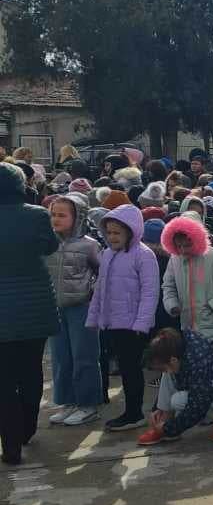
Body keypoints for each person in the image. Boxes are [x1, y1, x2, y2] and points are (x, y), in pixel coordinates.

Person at [0, 162, 60, 464]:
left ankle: (10, 446)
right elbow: (50, 247)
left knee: (4, 380)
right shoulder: (37, 215)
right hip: (36, 305)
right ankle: (27, 427)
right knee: (32, 370)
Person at [87, 203, 161, 432]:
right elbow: (100, 289)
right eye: (108, 232)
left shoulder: (144, 255)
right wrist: (94, 317)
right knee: (123, 366)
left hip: (132, 325)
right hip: (112, 322)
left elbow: (150, 292)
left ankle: (134, 412)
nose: (112, 237)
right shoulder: (107, 255)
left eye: (117, 232)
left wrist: (142, 322)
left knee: (131, 369)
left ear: (131, 231)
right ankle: (130, 411)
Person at [138, 327, 213, 446]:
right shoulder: (180, 351)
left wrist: (169, 429)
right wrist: (158, 409)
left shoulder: (199, 364)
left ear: (173, 360)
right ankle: (163, 418)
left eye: (161, 367)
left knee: (178, 400)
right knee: (167, 375)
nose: (162, 371)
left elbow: (197, 408)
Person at [47, 192, 103, 426]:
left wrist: (93, 294)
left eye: (62, 215)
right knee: (60, 357)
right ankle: (68, 401)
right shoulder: (47, 243)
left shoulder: (90, 245)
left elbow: (102, 273)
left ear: (77, 217)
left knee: (85, 357)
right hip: (55, 308)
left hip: (82, 307)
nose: (56, 219)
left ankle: (88, 404)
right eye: (53, 214)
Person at [161, 215, 213, 367]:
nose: (183, 250)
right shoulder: (174, 259)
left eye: (187, 245)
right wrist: (172, 305)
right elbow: (168, 285)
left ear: (197, 239)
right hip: (188, 329)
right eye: (178, 246)